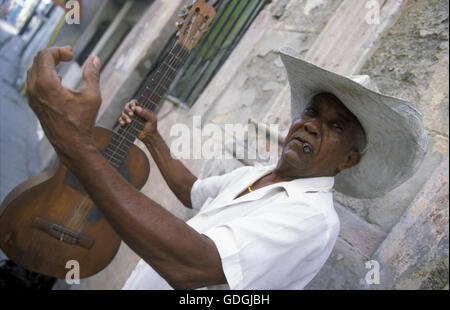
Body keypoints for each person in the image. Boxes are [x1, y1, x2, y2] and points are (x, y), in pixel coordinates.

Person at [25, 45, 427, 289]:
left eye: (335, 125)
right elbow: (193, 192)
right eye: (311, 111)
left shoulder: (311, 219)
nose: (310, 124)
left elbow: (191, 266)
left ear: (349, 159)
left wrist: (75, 145)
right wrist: (154, 140)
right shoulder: (260, 175)